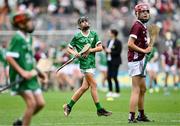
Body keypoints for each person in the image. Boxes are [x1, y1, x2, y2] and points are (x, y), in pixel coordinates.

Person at [62, 16, 112, 117]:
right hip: (84, 64)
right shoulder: (77, 36)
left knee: (84, 87)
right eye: (82, 22)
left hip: (92, 63)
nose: (85, 22)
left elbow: (100, 48)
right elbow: (69, 48)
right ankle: (99, 109)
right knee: (94, 85)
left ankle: (68, 106)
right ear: (79, 25)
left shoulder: (94, 34)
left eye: (86, 21)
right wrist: (74, 53)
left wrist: (90, 50)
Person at [6, 11, 45, 126]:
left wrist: (39, 72)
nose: (32, 23)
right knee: (32, 104)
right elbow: (9, 57)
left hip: (31, 76)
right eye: (29, 21)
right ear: (21, 24)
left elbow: (29, 58)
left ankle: (20, 122)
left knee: (40, 103)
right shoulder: (17, 38)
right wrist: (22, 72)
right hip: (20, 76)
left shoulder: (29, 38)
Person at [127, 3, 152, 123]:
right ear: (137, 13)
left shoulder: (143, 26)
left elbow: (142, 44)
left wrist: (148, 49)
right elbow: (130, 44)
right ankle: (131, 116)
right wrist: (144, 50)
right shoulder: (137, 26)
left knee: (143, 89)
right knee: (136, 89)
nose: (146, 13)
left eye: (147, 11)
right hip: (135, 61)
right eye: (142, 11)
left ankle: (141, 115)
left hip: (140, 60)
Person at [105, 29, 122, 100]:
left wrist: (110, 51)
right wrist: (106, 51)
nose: (109, 33)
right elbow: (107, 51)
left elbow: (118, 52)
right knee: (108, 77)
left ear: (114, 34)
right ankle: (110, 91)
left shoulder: (118, 42)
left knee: (114, 76)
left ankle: (117, 92)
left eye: (110, 32)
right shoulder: (109, 41)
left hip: (116, 61)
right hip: (109, 61)